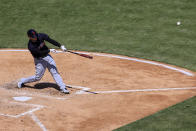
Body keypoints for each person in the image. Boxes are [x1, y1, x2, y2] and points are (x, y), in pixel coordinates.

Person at [17, 29, 69, 94]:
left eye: (35, 36)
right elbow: (39, 53)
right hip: (39, 60)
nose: (35, 38)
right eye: (33, 37)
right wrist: (49, 50)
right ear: (29, 37)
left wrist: (60, 46)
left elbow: (50, 40)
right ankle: (22, 81)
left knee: (54, 72)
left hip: (47, 57)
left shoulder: (40, 36)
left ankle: (62, 87)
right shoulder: (30, 46)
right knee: (37, 77)